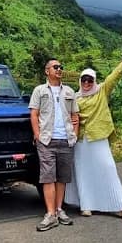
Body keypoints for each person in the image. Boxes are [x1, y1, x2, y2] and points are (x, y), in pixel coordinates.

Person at [64, 50, 122, 222]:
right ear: (80, 81)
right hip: (81, 140)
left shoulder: (101, 92)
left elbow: (113, 78)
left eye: (90, 80)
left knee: (108, 168)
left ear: (94, 81)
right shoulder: (75, 97)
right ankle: (86, 205)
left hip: (98, 137)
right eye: (84, 80)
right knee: (82, 172)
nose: (86, 83)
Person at [29, 58, 80, 231]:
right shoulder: (39, 90)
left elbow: (75, 116)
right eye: (55, 67)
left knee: (62, 178)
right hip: (47, 140)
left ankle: (59, 210)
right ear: (47, 71)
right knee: (48, 177)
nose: (59, 69)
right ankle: (50, 214)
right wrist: (37, 135)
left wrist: (74, 135)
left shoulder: (69, 91)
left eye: (61, 67)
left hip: (66, 139)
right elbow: (34, 115)